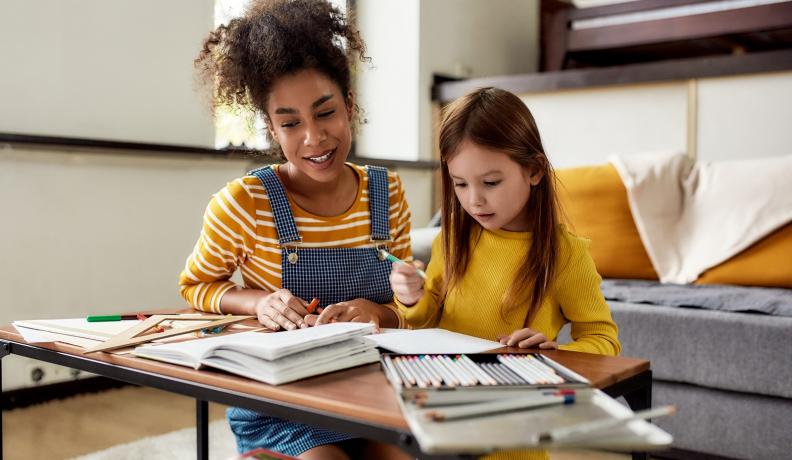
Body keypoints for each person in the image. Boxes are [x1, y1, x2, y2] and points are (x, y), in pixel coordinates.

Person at [180, 1, 412, 458]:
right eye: (291, 123)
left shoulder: (388, 193)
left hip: (368, 385)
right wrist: (259, 301)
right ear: (271, 128)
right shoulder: (245, 202)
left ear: (349, 105)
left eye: (325, 113)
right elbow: (196, 285)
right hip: (281, 400)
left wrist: (380, 312)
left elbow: (411, 304)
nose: (314, 137)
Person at [389, 87, 621, 460]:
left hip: (514, 436)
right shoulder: (451, 238)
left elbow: (603, 340)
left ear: (533, 170)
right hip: (443, 412)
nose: (474, 200)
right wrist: (411, 296)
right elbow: (425, 318)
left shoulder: (566, 254)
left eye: (491, 183)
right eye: (460, 184)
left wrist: (554, 354)